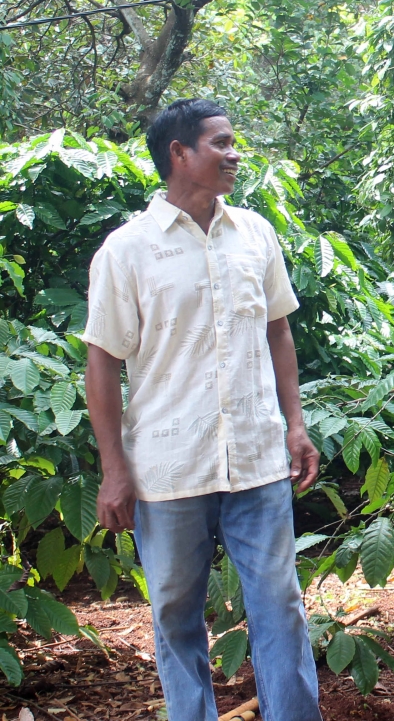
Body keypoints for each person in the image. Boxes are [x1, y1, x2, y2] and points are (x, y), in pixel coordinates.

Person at [82, 99, 323, 721]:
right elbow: (103, 363)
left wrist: (295, 426)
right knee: (174, 615)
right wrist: (114, 469)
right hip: (168, 469)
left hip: (257, 457)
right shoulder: (126, 251)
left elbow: (278, 333)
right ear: (179, 154)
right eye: (221, 143)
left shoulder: (255, 235)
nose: (234, 154)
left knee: (280, 606)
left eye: (233, 141)